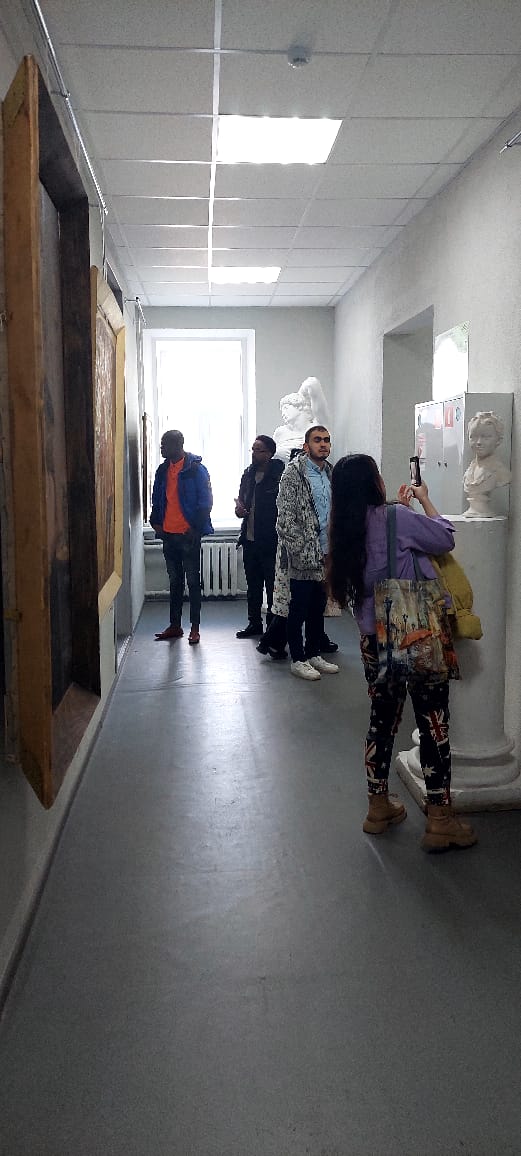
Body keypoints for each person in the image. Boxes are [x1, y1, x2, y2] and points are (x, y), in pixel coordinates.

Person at [327, 453, 477, 852]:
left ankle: (378, 807)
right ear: (373, 482)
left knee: (382, 720)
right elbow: (444, 538)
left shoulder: (342, 529)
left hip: (372, 640)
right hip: (415, 633)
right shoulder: (395, 517)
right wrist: (424, 501)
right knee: (433, 723)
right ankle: (440, 820)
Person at [275, 426, 339, 681]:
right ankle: (298, 659)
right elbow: (285, 519)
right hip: (303, 555)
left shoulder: (330, 473)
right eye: (317, 440)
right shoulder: (293, 474)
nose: (323, 444)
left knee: (317, 607)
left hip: (326, 553)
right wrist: (301, 550)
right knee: (298, 608)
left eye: (326, 440)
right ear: (306, 446)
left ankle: (313, 653)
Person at [150, 429, 213, 645]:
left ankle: (195, 628)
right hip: (168, 535)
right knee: (175, 582)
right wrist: (156, 522)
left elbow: (206, 501)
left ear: (178, 445)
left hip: (188, 536)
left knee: (193, 583)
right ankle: (175, 626)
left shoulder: (196, 469)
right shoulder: (162, 470)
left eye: (165, 444)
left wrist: (195, 528)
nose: (161, 448)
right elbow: (157, 498)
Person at [234, 435, 284, 638]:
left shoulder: (279, 475)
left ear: (269, 453)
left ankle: (273, 628)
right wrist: (239, 510)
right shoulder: (248, 474)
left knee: (273, 587)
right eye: (253, 449)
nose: (254, 453)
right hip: (250, 540)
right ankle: (254, 623)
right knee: (253, 587)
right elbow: (242, 503)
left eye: (259, 450)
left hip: (271, 541)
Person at [463, 411, 511, 518]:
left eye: (486, 437)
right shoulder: (470, 470)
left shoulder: (500, 472)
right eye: (473, 437)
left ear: (498, 440)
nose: (478, 442)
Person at [272, 377, 330, 465]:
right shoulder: (280, 432)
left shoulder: (317, 427)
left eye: (286, 408)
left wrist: (299, 397)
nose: (283, 413)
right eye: (282, 410)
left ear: (299, 407)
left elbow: (312, 383)